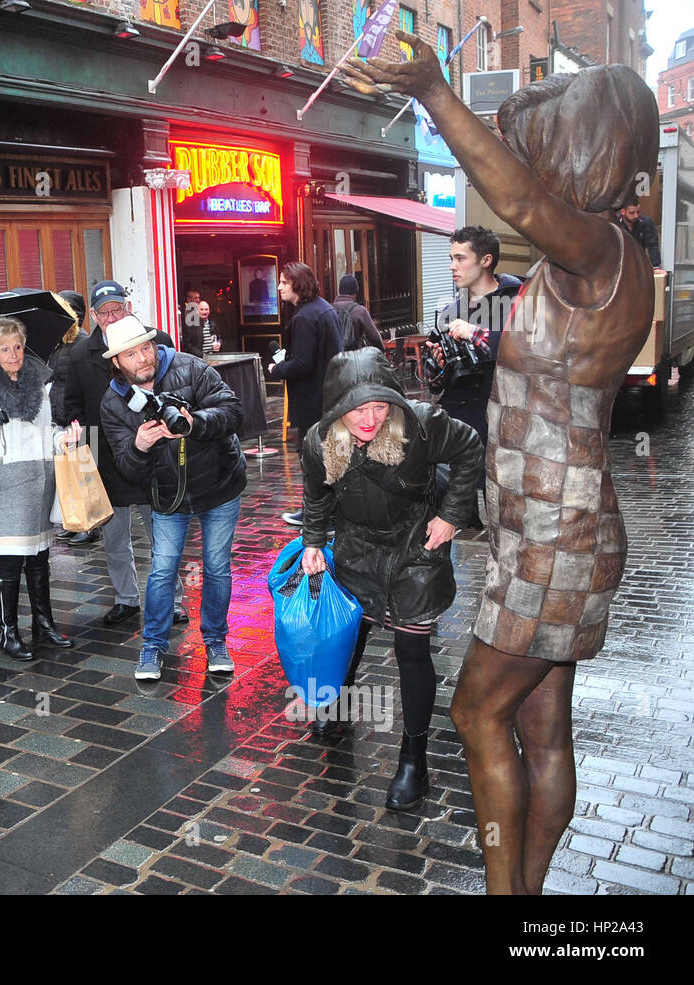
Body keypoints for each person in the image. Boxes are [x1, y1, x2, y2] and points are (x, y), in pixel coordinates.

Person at [350, 36, 659, 893]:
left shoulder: (593, 252)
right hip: (556, 524)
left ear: (585, 147)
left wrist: (436, 92)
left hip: (554, 536)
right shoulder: (608, 259)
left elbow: (517, 197)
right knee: (541, 726)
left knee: (474, 709)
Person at [298, 349, 483, 809]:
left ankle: (413, 759)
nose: (370, 418)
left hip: (415, 548)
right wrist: (313, 541)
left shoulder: (420, 424)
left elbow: (470, 448)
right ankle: (337, 707)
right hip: (356, 546)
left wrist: (450, 516)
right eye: (359, 409)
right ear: (338, 407)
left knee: (411, 648)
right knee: (351, 632)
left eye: (379, 406)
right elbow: (316, 492)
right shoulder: (318, 441)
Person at [101, 315, 246, 682]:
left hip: (219, 484)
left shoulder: (190, 367)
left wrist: (194, 422)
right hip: (168, 496)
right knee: (163, 569)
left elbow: (232, 411)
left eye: (145, 348)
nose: (143, 358)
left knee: (216, 566)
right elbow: (128, 468)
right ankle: (152, 646)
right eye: (131, 354)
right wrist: (140, 446)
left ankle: (215, 640)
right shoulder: (114, 402)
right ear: (116, 361)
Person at [61, 280, 186, 627]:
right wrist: (76, 438)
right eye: (104, 312)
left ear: (129, 307)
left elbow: (177, 390)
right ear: (96, 317)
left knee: (163, 536)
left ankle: (173, 600)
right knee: (115, 538)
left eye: (117, 309)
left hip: (154, 454)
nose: (112, 316)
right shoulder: (80, 356)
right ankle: (126, 598)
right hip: (107, 460)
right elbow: (72, 406)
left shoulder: (156, 342)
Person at [0, 315, 80, 661]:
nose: (13, 354)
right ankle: (7, 631)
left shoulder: (38, 379)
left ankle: (43, 624)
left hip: (39, 478)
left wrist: (65, 438)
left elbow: (47, 429)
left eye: (17, 346)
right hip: (4, 483)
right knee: (11, 561)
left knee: (39, 556)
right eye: (4, 348)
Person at [429, 226, 523, 448]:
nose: (453, 266)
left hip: (507, 430)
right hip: (461, 433)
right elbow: (435, 384)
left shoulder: (518, 302)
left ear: (486, 260)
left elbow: (527, 351)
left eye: (460, 258)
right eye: (451, 258)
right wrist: (438, 366)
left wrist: (474, 333)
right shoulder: (449, 313)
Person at [268, 261, 343, 527]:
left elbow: (302, 363)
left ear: (297, 283)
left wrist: (277, 369)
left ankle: (316, 514)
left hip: (314, 400)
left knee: (312, 457)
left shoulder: (305, 317)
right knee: (327, 456)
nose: (279, 287)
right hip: (331, 396)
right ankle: (326, 512)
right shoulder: (324, 309)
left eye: (284, 282)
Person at [49, 290, 99, 547]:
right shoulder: (59, 342)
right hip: (60, 414)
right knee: (68, 473)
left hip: (78, 417)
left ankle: (91, 526)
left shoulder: (83, 342)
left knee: (84, 472)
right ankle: (74, 521)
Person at [330, 274, 384, 353]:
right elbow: (375, 338)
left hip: (334, 359)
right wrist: (382, 350)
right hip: (354, 359)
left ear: (340, 291)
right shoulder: (360, 311)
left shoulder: (328, 310)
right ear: (356, 292)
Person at [617, 198, 661, 268]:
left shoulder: (646, 222)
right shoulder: (616, 223)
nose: (636, 216)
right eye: (632, 213)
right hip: (619, 262)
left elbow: (652, 245)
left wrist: (656, 266)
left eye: (638, 212)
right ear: (623, 212)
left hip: (639, 262)